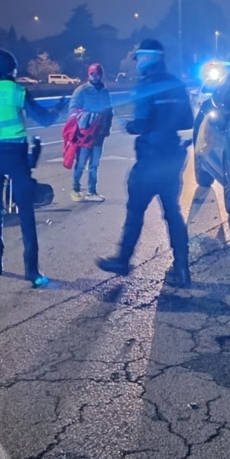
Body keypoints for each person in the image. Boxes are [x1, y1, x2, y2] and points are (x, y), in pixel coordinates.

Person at [95, 38, 193, 287]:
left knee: (135, 211)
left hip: (150, 159)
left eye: (138, 57)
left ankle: (122, 260)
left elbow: (142, 123)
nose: (137, 63)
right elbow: (187, 121)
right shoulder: (176, 83)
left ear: (149, 57)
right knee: (173, 213)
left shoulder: (145, 86)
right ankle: (182, 269)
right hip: (172, 158)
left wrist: (128, 125)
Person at [0, 48, 64, 287]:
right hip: (17, 158)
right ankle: (32, 270)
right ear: (12, 70)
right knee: (26, 213)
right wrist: (59, 108)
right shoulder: (18, 91)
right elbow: (44, 119)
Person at [67, 62, 114, 202]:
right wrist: (86, 119)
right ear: (88, 74)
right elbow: (73, 111)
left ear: (101, 74)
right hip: (84, 134)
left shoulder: (105, 91)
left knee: (94, 165)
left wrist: (106, 127)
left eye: (97, 73)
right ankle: (75, 188)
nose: (95, 76)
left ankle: (92, 191)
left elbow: (109, 110)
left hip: (99, 134)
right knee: (81, 163)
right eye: (92, 73)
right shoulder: (81, 90)